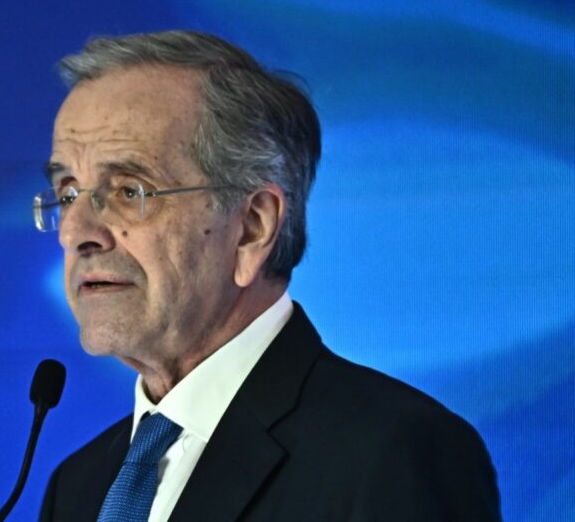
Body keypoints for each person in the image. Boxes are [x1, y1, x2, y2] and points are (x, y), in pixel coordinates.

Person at [34, 31, 500, 521]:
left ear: (252, 227)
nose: (75, 232)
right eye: (68, 193)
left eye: (130, 191)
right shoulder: (78, 487)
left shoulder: (394, 453)